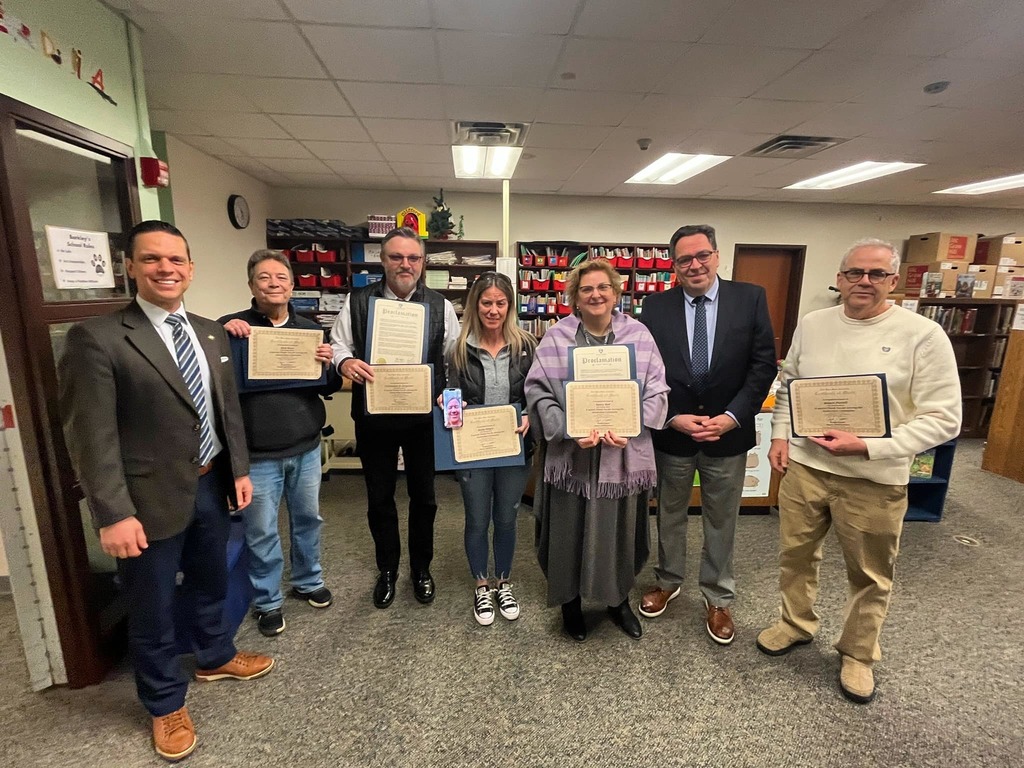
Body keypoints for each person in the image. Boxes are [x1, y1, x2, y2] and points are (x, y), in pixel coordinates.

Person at [58, 221, 273, 762]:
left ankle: (214, 655)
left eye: (176, 259)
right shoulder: (99, 338)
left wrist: (238, 469)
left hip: (210, 483)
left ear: (191, 268)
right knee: (151, 607)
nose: (166, 269)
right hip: (145, 500)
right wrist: (111, 513)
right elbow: (91, 436)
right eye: (152, 259)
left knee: (210, 578)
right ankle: (163, 702)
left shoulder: (208, 331)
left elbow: (227, 411)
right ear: (130, 266)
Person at [758, 238, 961, 704]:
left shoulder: (923, 335)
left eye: (875, 274)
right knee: (795, 556)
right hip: (808, 469)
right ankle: (795, 623)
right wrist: (780, 436)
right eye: (854, 273)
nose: (863, 282)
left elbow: (945, 419)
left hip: (874, 479)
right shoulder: (814, 324)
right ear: (840, 278)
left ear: (892, 280)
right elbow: (789, 384)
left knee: (870, 572)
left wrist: (869, 446)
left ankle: (858, 653)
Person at [638, 224, 776, 645]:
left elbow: (762, 365)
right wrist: (672, 415)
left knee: (722, 518)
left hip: (727, 434)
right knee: (671, 513)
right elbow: (647, 371)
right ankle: (668, 580)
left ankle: (718, 596)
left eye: (702, 256)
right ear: (673, 266)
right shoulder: (654, 306)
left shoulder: (749, 298)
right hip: (674, 432)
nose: (694, 265)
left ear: (717, 256)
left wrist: (734, 415)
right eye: (684, 259)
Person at [526, 259, 669, 642]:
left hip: (622, 457)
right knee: (568, 532)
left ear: (616, 292)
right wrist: (569, 430)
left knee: (618, 533)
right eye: (586, 289)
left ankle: (616, 601)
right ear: (574, 296)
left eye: (602, 287)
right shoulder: (556, 337)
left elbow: (657, 389)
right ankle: (570, 603)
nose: (595, 295)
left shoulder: (639, 335)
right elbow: (537, 392)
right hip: (571, 458)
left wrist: (631, 424)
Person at [330, 227, 460, 608]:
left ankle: (421, 568)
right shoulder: (357, 302)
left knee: (425, 497)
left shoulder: (441, 306)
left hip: (423, 417)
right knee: (379, 496)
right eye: (396, 257)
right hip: (375, 415)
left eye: (413, 258)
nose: (405, 264)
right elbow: (339, 344)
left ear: (423, 263)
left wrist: (451, 392)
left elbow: (453, 354)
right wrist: (346, 361)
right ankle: (387, 568)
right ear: (383, 260)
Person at [218, 250, 342, 637]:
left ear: (292, 285)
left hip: (304, 446)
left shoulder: (309, 330)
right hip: (258, 456)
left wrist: (329, 363)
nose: (274, 284)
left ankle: (308, 580)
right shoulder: (232, 329)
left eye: (281, 278)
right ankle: (268, 600)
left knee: (308, 519)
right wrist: (225, 336)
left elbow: (330, 387)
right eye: (264, 278)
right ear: (252, 285)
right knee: (262, 530)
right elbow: (220, 383)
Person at [445, 272, 536, 625]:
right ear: (475, 306)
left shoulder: (527, 346)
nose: (493, 310)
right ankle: (482, 583)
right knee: (478, 518)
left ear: (509, 306)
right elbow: (450, 394)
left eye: (501, 303)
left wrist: (530, 414)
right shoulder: (458, 350)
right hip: (473, 448)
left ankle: (504, 582)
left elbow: (537, 394)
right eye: (486, 303)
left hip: (514, 446)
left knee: (507, 517)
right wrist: (448, 403)